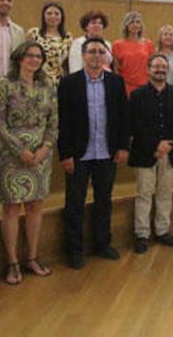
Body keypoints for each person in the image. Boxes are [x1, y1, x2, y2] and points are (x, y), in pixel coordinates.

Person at [57, 37, 129, 269]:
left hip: (106, 152)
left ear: (105, 56)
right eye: (91, 52)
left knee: (104, 201)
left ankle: (102, 244)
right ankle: (75, 250)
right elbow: (63, 121)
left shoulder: (116, 82)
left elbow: (122, 117)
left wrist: (122, 146)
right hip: (79, 154)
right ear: (83, 55)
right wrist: (65, 154)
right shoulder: (69, 83)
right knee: (75, 204)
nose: (96, 56)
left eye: (100, 52)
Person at [0, 41, 57, 285]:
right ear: (19, 58)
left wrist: (45, 148)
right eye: (29, 55)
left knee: (35, 206)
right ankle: (12, 263)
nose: (34, 59)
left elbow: (54, 121)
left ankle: (32, 257)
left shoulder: (47, 86)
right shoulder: (4, 85)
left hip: (40, 155)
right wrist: (20, 150)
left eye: (38, 56)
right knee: (11, 208)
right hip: (10, 156)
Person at [127, 54, 173, 254]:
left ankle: (162, 230)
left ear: (168, 69)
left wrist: (166, 144)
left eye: (163, 67)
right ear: (148, 70)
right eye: (156, 67)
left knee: (164, 194)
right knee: (144, 194)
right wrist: (155, 144)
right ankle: (142, 234)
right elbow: (134, 124)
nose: (160, 70)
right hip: (145, 152)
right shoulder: (137, 96)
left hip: (170, 153)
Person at [26, 2, 73, 85]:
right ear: (43, 17)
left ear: (62, 17)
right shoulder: (33, 33)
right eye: (49, 13)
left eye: (57, 14)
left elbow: (68, 63)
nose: (53, 16)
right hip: (36, 79)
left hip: (59, 82)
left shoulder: (67, 37)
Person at [112, 11, 156, 96]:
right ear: (126, 25)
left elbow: (152, 67)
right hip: (125, 86)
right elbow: (116, 70)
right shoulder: (117, 45)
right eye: (132, 22)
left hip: (145, 86)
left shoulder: (149, 44)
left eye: (138, 22)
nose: (135, 25)